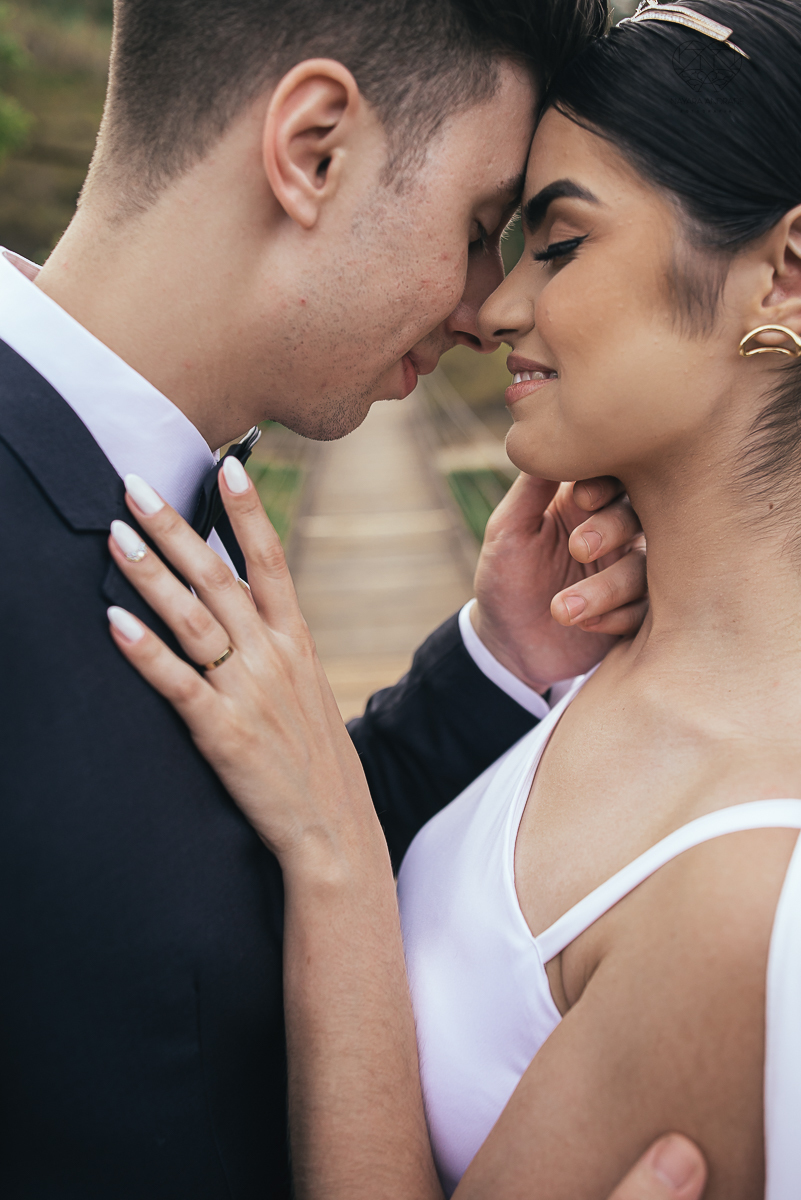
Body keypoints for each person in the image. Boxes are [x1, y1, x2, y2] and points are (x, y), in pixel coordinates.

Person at [105, 0, 801, 1196]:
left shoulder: (755, 885)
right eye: (498, 240)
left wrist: (334, 854)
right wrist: (502, 657)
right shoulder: (595, 655)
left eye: (558, 243)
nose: (497, 306)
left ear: (784, 277)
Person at [0, 0, 659, 1195]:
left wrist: (499, 659)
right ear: (313, 150)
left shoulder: (162, 486)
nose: (485, 310)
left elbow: (204, 890)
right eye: (477, 229)